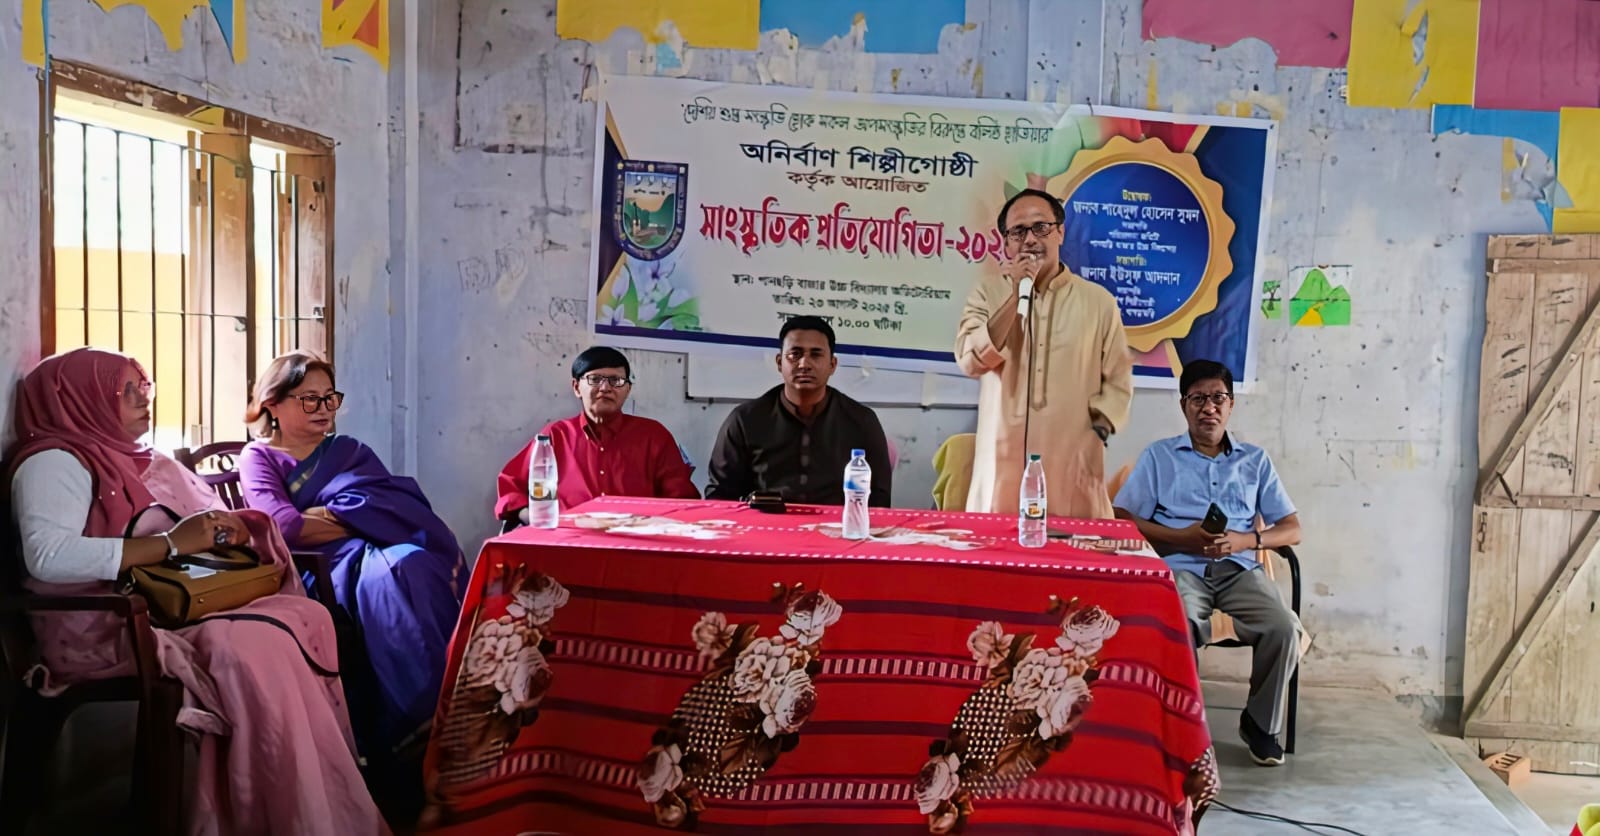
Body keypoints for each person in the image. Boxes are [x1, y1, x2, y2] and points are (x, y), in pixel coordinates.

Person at [5, 347, 386, 835]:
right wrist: (170, 544)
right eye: (123, 390)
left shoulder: (135, 458)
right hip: (103, 624)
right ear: (80, 399)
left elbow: (196, 523)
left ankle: (312, 805)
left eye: (143, 386)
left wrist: (228, 530)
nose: (142, 399)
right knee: (251, 646)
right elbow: (49, 557)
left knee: (300, 617)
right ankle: (266, 813)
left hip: (159, 605)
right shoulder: (55, 461)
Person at [236, 350, 464, 766]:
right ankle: (414, 721)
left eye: (330, 398)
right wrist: (359, 518)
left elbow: (396, 507)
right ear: (273, 404)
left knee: (414, 562)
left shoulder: (348, 450)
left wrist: (336, 516)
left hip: (374, 549)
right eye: (310, 399)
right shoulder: (259, 457)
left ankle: (449, 705)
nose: (324, 409)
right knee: (392, 575)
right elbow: (283, 527)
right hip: (317, 568)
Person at [1111, 360, 1303, 767]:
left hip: (1240, 570)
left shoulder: (1255, 461)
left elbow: (1292, 529)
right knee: (1177, 624)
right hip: (1180, 567)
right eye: (1198, 398)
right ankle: (1184, 726)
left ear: (1231, 404)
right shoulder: (1160, 457)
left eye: (1218, 397)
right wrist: (1181, 537)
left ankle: (1260, 724)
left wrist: (1245, 540)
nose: (1208, 407)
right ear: (1184, 406)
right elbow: (1122, 518)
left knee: (1283, 627)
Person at [954, 188, 1133, 519]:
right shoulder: (987, 293)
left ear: (1060, 232)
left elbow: (1119, 380)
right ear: (1006, 244)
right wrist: (1014, 297)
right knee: (999, 545)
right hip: (1001, 468)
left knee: (1073, 546)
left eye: (1041, 227)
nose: (1030, 239)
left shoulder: (1099, 303)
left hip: (1072, 468)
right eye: (1018, 232)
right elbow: (970, 360)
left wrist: (1098, 431)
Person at [496, 346, 698, 526]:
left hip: (637, 544)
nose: (605, 388)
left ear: (628, 389)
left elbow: (682, 501)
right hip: (567, 543)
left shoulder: (653, 436)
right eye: (595, 379)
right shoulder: (555, 436)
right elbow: (511, 487)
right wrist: (533, 517)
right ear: (577, 387)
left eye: (616, 380)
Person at [706, 316, 892, 506]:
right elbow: (719, 495)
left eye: (816, 355)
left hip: (839, 523)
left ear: (832, 364)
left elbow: (880, 498)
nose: (804, 364)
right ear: (780, 362)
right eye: (795, 354)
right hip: (767, 521)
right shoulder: (745, 420)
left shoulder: (861, 420)